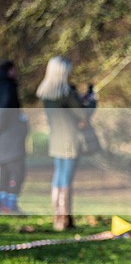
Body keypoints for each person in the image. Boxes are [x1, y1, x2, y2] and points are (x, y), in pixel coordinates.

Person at [36, 56, 96, 230]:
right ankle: (64, 220)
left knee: (58, 178)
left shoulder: (47, 93)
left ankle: (58, 218)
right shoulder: (66, 93)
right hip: (70, 140)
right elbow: (83, 114)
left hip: (56, 140)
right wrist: (92, 101)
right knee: (66, 180)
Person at [0, 60, 28, 214]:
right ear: (10, 70)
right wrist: (22, 123)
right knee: (17, 172)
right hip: (10, 140)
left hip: (5, 140)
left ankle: (5, 204)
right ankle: (10, 205)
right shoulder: (8, 88)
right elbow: (5, 111)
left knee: (3, 174)